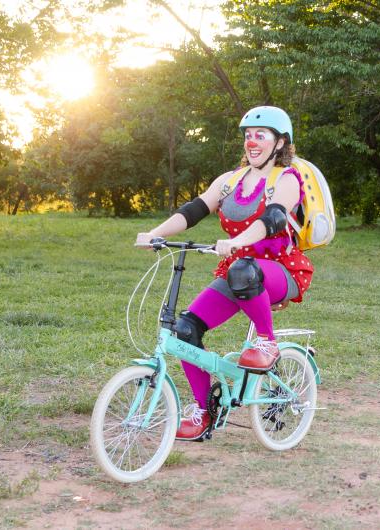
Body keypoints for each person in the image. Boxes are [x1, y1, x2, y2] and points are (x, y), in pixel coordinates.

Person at [135, 106, 314, 441]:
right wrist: (154, 233)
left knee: (243, 271)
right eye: (248, 135)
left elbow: (274, 218)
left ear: (279, 142)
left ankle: (267, 341)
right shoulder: (230, 181)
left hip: (280, 271)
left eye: (261, 135)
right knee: (185, 329)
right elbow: (193, 210)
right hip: (238, 270)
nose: (252, 142)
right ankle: (203, 411)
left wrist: (239, 241)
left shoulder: (286, 179)